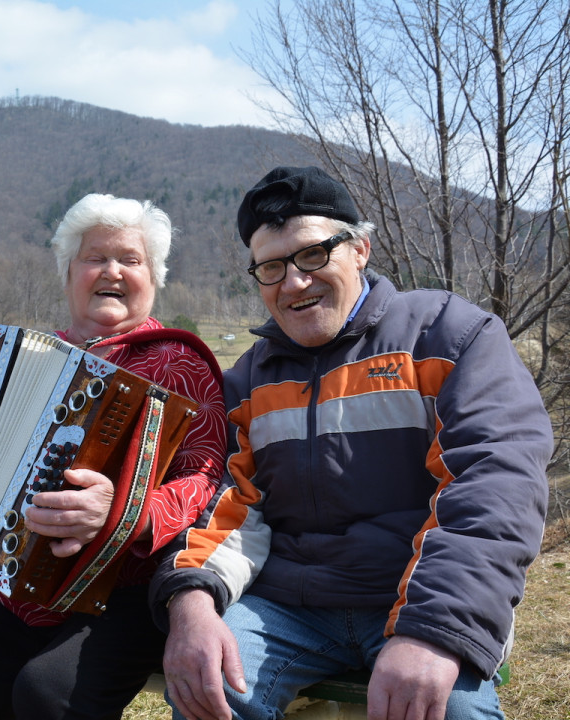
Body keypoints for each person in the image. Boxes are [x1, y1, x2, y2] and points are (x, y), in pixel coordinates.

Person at [149, 166, 553, 720]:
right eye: (271, 267)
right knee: (206, 687)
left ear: (360, 249)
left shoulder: (449, 336)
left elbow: (494, 486)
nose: (293, 282)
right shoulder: (246, 382)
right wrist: (191, 600)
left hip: (413, 596)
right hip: (287, 606)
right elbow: (222, 507)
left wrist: (432, 634)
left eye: (313, 255)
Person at [0, 193, 228, 720]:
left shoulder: (180, 362)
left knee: (47, 694)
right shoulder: (30, 357)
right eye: (95, 258)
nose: (113, 271)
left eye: (131, 259)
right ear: (68, 273)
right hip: (15, 586)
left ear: (154, 277)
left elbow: (204, 480)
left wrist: (122, 513)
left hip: (123, 590)